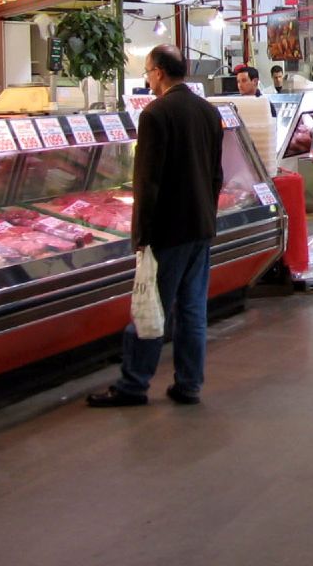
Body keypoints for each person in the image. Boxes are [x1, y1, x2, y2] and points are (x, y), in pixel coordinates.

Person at [88, 45, 224, 408]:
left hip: (168, 230)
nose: (147, 78)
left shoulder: (155, 114)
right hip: (201, 227)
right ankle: (189, 384)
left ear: (160, 72)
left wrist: (141, 236)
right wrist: (207, 217)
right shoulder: (209, 112)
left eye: (147, 71)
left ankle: (133, 385)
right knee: (193, 310)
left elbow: (146, 183)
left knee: (150, 306)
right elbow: (216, 175)